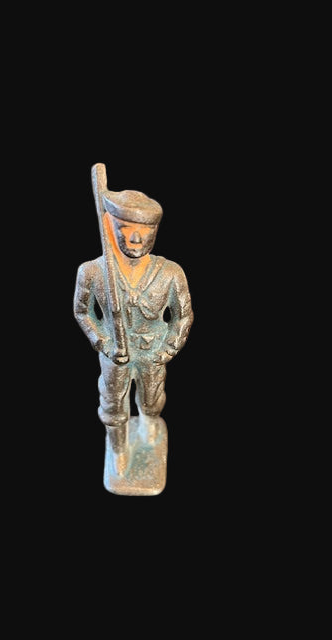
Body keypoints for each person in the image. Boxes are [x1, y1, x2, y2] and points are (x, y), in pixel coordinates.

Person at [74, 185, 193, 475]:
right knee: (112, 405)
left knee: (151, 402)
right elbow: (82, 311)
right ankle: (118, 450)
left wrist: (168, 349)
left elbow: (183, 315)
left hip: (152, 354)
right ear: (110, 226)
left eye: (144, 230)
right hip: (114, 355)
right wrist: (103, 342)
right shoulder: (92, 271)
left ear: (156, 231)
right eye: (125, 229)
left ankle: (149, 429)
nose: (136, 238)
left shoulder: (171, 272)